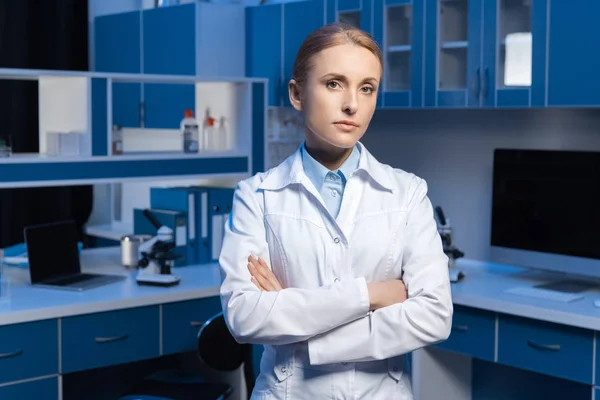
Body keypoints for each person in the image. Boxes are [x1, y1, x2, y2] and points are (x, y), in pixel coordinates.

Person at [219, 22, 453, 400]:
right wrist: (373, 294)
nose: (352, 105)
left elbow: (435, 317)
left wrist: (304, 332)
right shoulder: (257, 196)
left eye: (367, 88)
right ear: (297, 93)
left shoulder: (407, 193)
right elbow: (246, 317)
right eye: (333, 83)